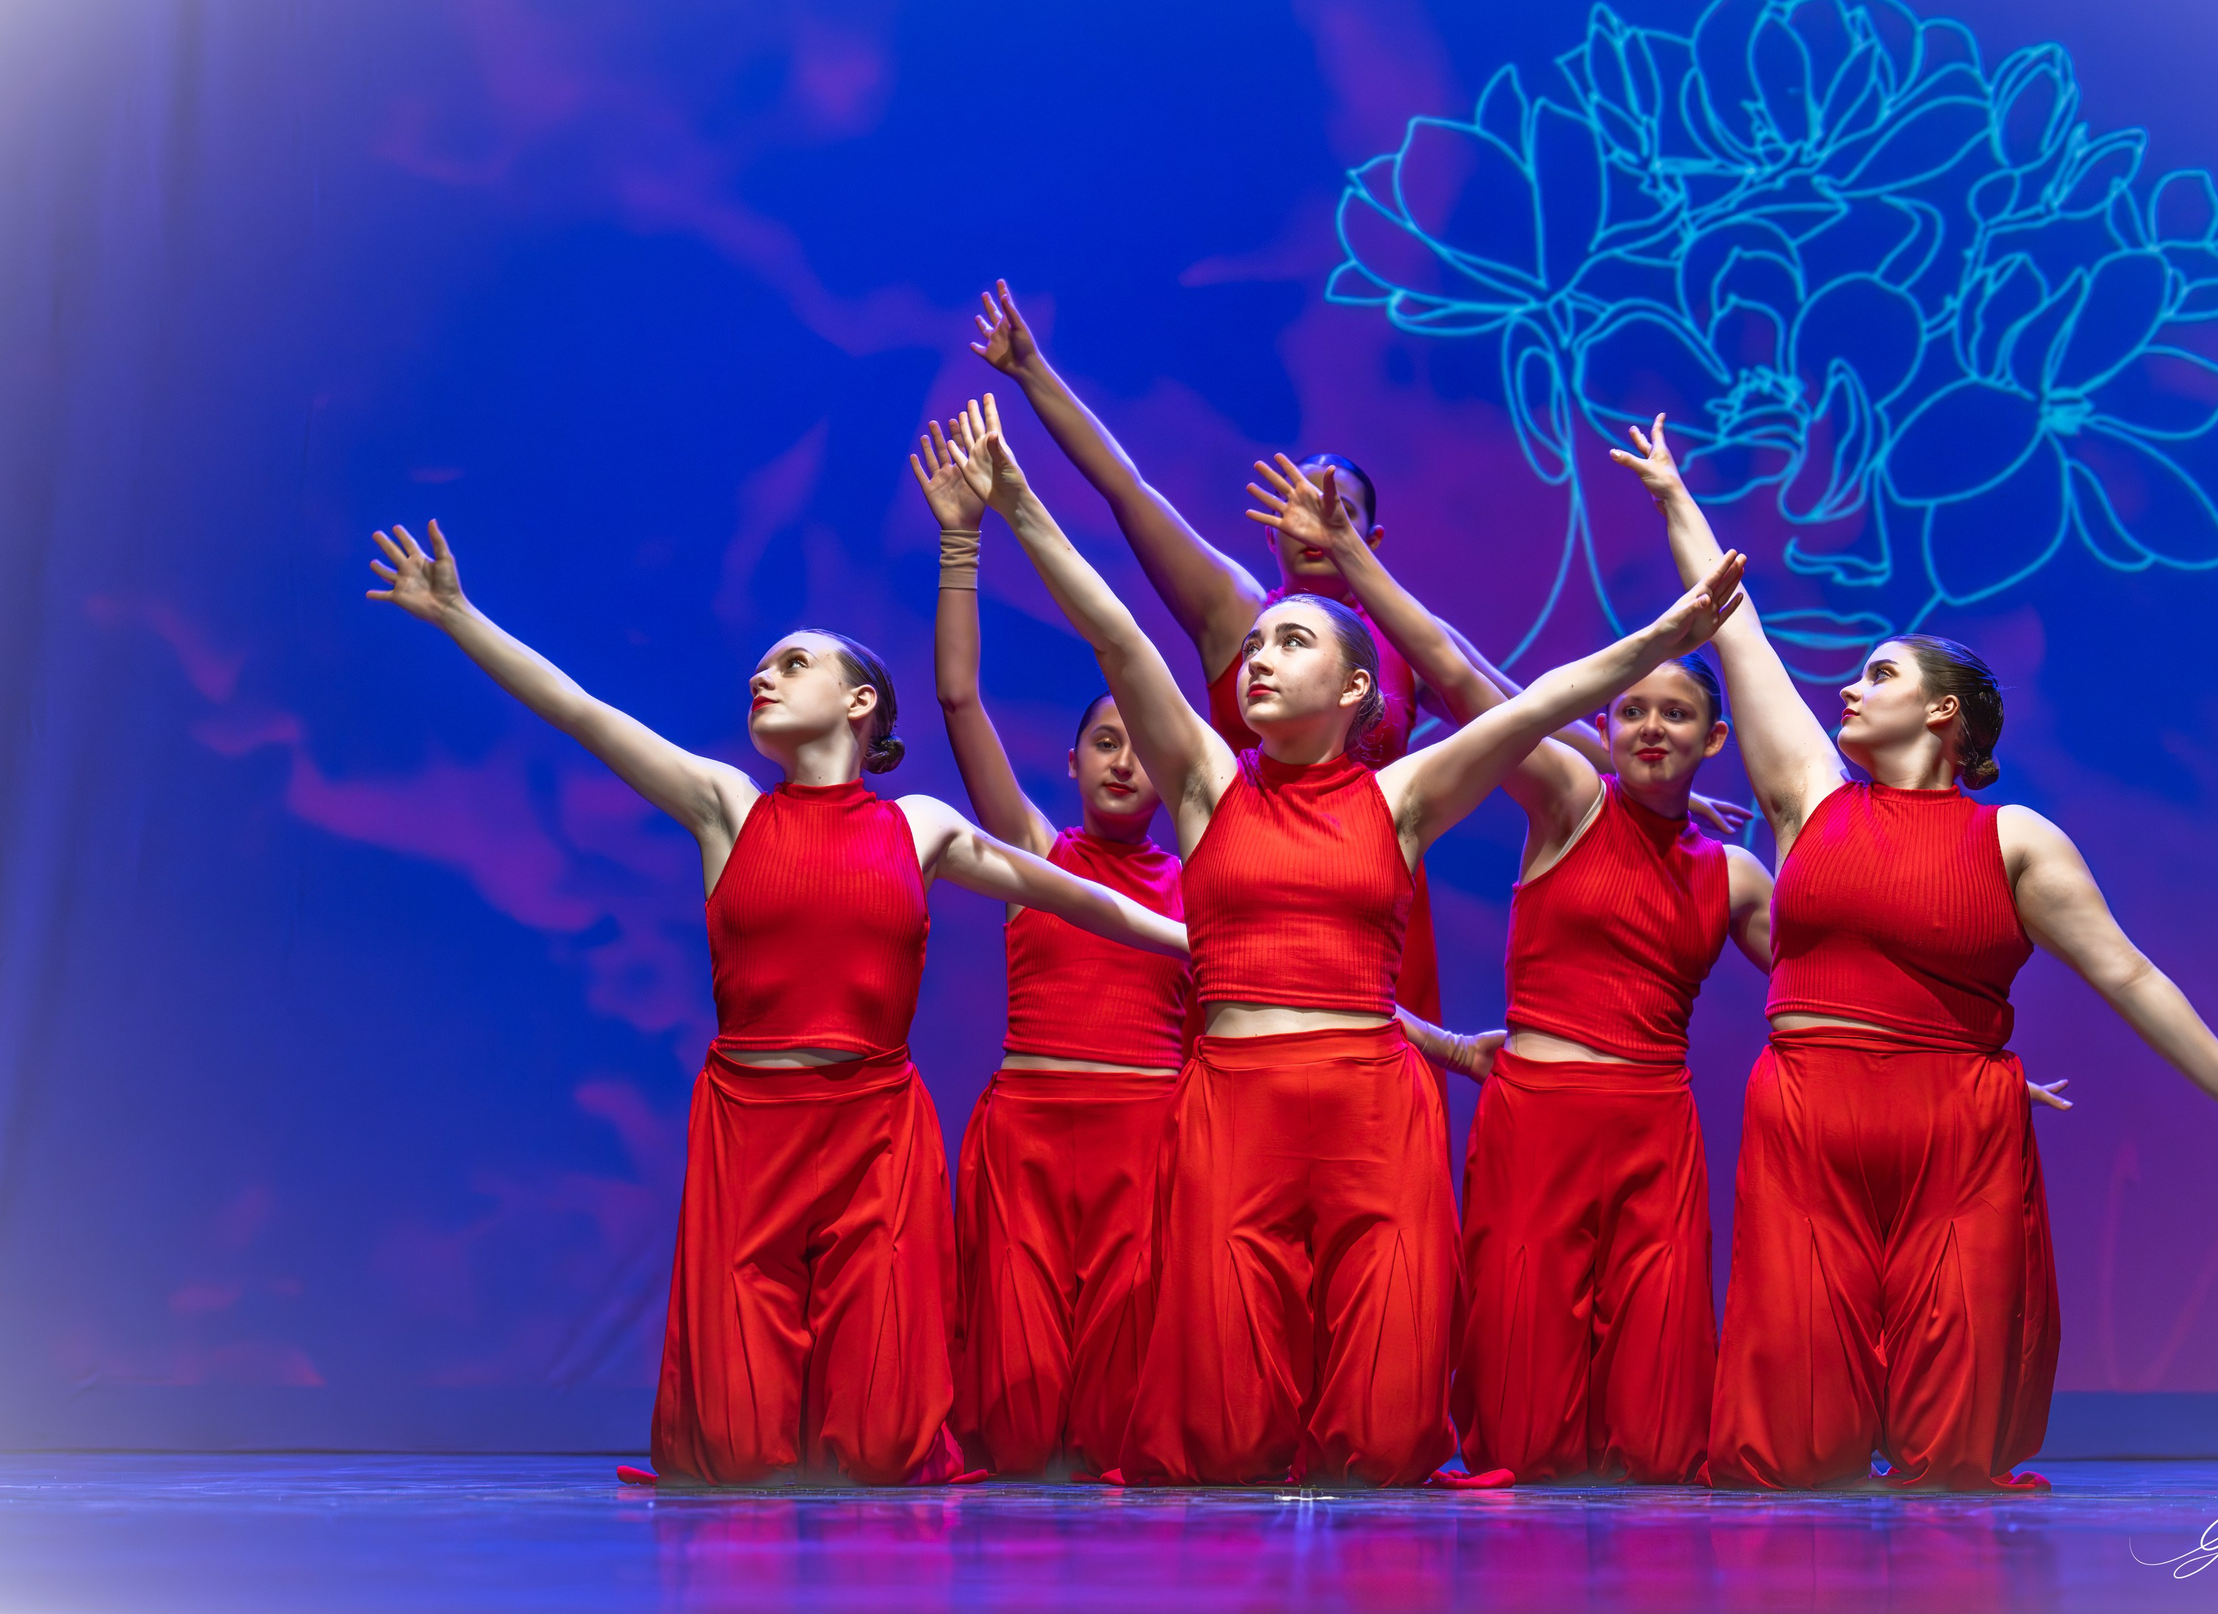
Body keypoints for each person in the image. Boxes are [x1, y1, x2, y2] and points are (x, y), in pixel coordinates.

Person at [945, 394, 1746, 1486]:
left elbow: (1525, 703)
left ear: (1355, 687)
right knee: (1223, 1431)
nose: (1260, 657)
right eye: (1258, 641)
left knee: (1378, 1429)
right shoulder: (1205, 783)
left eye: (1292, 640)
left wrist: (1662, 640)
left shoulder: (1403, 793)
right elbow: (1118, 635)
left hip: (1371, 1095)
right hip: (1234, 1093)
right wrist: (1021, 505)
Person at [364, 518, 1188, 1488]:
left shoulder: (917, 826)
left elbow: (1075, 896)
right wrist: (460, 617)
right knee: (743, 1450)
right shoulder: (725, 805)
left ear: (858, 701)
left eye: (792, 663)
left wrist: (1188, 938)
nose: (764, 678)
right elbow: (582, 713)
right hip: (750, 1127)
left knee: (880, 1443)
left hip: (875, 1130)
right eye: (759, 668)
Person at [1605, 415, 2218, 1493]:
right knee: (1793, 1451)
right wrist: (1672, 499)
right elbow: (1733, 624)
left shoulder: (2014, 839)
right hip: (1808, 1111)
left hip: (1956, 1127)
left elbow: (2126, 972)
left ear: (1939, 710)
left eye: (1876, 673)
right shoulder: (1809, 797)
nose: (1847, 686)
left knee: (1950, 1455)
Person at [964, 281, 1753, 1038]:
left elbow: (1519, 710)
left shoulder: (1404, 640)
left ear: (1367, 539)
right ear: (1269, 527)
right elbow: (1126, 489)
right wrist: (1033, 372)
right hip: (1250, 881)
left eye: (1333, 507)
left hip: (1372, 889)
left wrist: (1642, 779)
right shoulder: (1236, 612)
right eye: (1295, 504)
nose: (1310, 518)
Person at [1245, 457, 1770, 1482]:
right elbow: (1450, 668)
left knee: (1660, 1447)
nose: (1650, 728)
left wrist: (1958, 1064)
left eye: (1675, 715)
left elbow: (1837, 989)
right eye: (1632, 713)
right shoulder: (1568, 798)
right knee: (1523, 1439)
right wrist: (1348, 556)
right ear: (1605, 729)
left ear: (1715, 738)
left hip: (1655, 1127)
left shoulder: (1737, 876)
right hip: (1538, 1118)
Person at [911, 428, 1194, 1479]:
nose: (1125, 760)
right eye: (1103, 743)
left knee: (1123, 1419)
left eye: (1141, 746)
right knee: (1023, 1428)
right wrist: (959, 543)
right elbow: (956, 701)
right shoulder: (1032, 853)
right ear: (1071, 765)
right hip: (1028, 1136)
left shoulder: (1199, 882)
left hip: (1147, 1137)